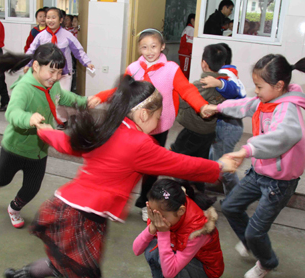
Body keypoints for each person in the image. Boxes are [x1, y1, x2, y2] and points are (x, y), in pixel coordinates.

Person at [2, 76, 236, 278]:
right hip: (82, 220)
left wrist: (46, 132)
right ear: (145, 114)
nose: (159, 123)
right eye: (159, 116)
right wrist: (219, 166)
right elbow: (181, 163)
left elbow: (68, 143)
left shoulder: (107, 128)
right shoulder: (140, 144)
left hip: (62, 207)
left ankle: (18, 277)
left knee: (60, 262)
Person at [202, 54, 305, 278]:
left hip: (279, 182)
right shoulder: (265, 100)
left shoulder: (287, 109)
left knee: (255, 231)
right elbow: (245, 104)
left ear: (279, 86)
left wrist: (246, 150)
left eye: (259, 86)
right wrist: (217, 107)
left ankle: (267, 261)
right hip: (259, 172)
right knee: (230, 206)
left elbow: (284, 135)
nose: (256, 91)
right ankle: (253, 245)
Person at [91, 28, 215, 222]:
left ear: (163, 46)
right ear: (139, 48)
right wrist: (100, 97)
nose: (149, 51)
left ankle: (144, 202)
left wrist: (202, 106)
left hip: (159, 126)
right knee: (125, 164)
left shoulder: (171, 69)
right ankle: (113, 200)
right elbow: (121, 91)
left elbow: (187, 90)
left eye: (153, 46)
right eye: (144, 47)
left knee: (151, 168)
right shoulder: (133, 69)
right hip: (134, 126)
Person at [0, 44, 94, 228]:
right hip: (15, 148)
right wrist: (29, 118)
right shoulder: (24, 88)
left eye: (59, 72)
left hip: (39, 150)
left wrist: (84, 101)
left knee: (32, 188)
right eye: (51, 71)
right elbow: (12, 112)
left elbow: (64, 97)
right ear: (36, 66)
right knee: (3, 179)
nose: (56, 77)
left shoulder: (53, 85)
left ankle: (14, 208)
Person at [133, 179, 224, 278]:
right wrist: (151, 229)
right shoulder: (162, 212)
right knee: (152, 247)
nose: (157, 219)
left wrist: (162, 233)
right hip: (181, 254)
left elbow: (170, 272)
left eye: (161, 216)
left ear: (181, 211)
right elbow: (137, 249)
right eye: (152, 212)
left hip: (204, 271)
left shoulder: (197, 229)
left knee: (168, 255)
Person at [171, 44, 228, 192]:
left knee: (179, 158)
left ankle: (182, 191)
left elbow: (182, 102)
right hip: (209, 132)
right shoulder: (224, 85)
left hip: (192, 131)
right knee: (201, 161)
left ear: (204, 64)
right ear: (223, 64)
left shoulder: (199, 85)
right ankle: (199, 190)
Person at [200, 42, 246, 195]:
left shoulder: (227, 75)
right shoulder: (221, 74)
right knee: (213, 158)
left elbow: (238, 92)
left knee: (225, 165)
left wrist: (219, 83)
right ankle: (215, 185)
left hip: (228, 126)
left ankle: (236, 197)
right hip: (224, 125)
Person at [25, 7, 94, 95]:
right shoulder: (40, 36)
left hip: (64, 74)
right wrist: (27, 64)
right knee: (47, 100)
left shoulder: (68, 35)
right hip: (46, 74)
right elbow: (32, 51)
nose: (50, 20)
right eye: (48, 17)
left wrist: (87, 63)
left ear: (61, 20)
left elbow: (78, 51)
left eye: (53, 17)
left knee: (62, 101)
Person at [178, 13, 195, 79]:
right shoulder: (191, 29)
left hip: (183, 55)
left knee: (183, 72)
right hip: (186, 55)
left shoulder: (187, 28)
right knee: (185, 74)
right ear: (192, 20)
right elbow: (190, 44)